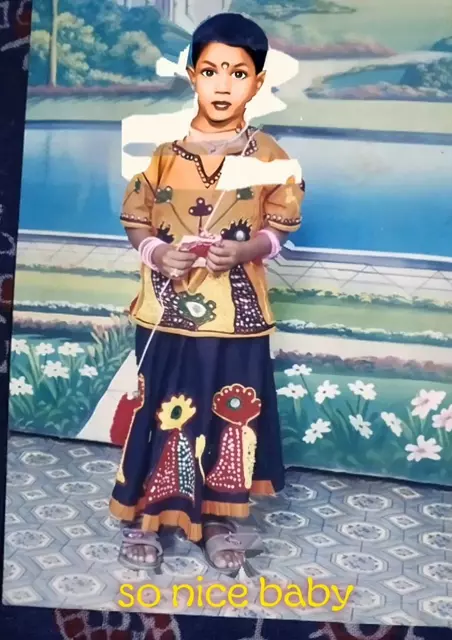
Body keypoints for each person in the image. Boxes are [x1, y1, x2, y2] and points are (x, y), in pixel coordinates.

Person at [109, 12, 305, 574]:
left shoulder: (271, 157)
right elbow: (136, 220)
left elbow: (280, 228)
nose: (223, 85)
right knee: (161, 408)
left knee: (228, 412)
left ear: (257, 83)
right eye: (211, 70)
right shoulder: (161, 153)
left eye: (238, 73)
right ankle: (148, 516)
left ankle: (218, 518)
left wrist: (244, 252)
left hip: (236, 317)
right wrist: (156, 253)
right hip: (164, 310)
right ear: (192, 74)